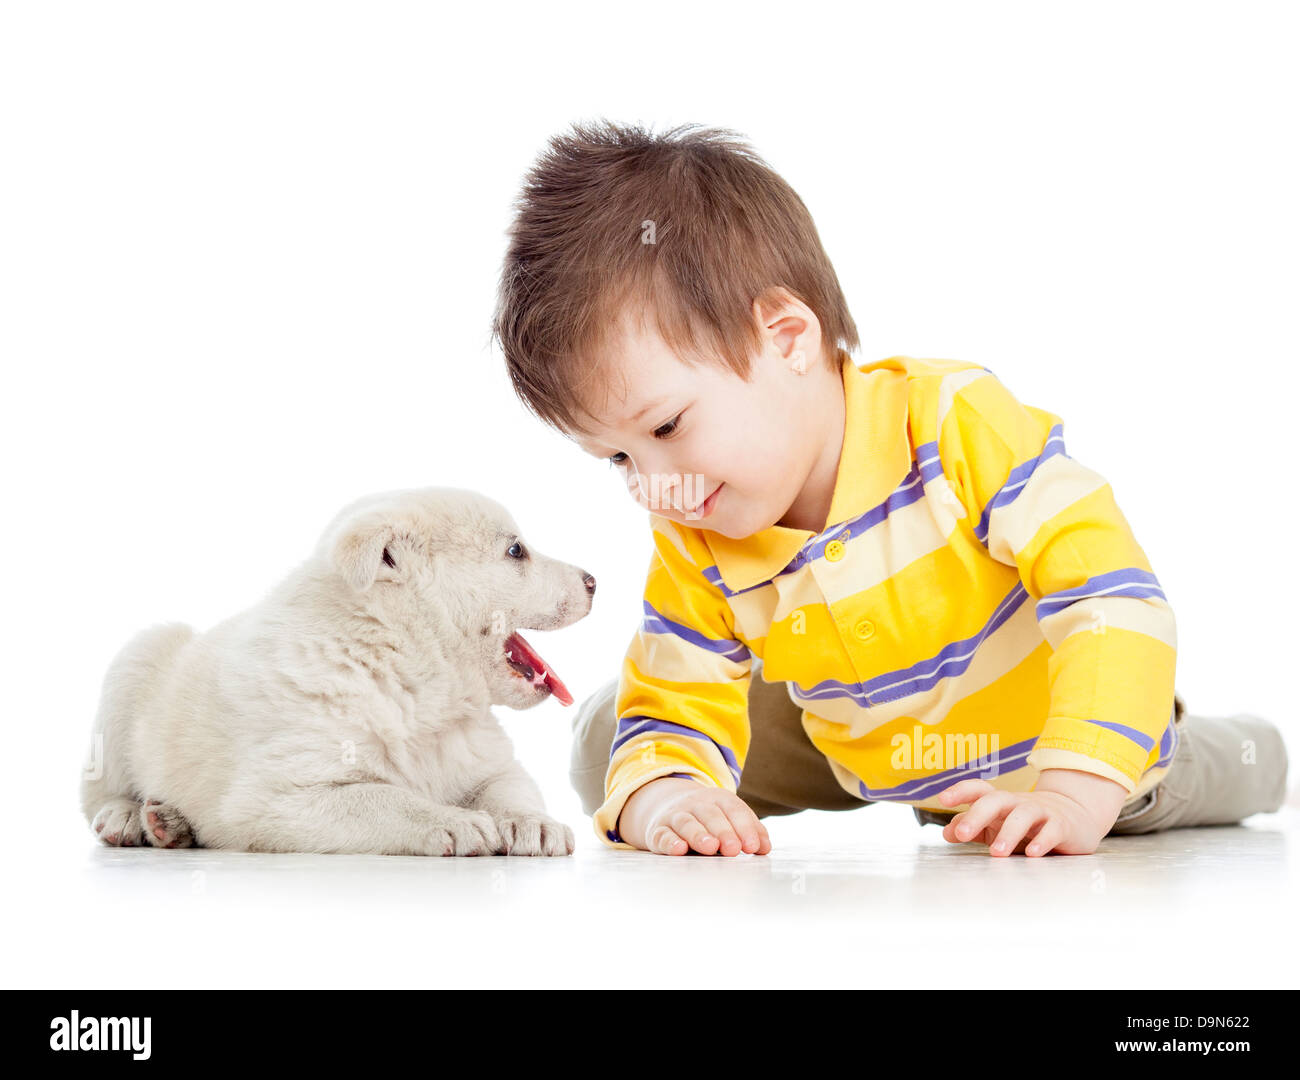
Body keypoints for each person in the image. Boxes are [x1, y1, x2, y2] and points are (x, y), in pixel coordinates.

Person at [491, 119, 1290, 857]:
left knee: (1163, 767)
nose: (657, 486)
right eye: (618, 460)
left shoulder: (952, 426)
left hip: (1043, 734)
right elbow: (676, 688)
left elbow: (1112, 598)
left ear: (786, 336)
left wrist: (1076, 794)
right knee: (614, 746)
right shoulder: (698, 524)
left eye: (664, 429)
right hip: (855, 741)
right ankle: (753, 785)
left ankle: (1258, 751)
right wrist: (668, 797)